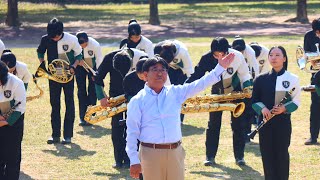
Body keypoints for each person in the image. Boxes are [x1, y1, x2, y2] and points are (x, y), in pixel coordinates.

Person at [126, 54, 234, 180]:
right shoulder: (138, 100)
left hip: (175, 152)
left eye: (163, 70)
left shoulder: (175, 93)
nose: (160, 74)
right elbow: (132, 132)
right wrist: (134, 160)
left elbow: (199, 84)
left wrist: (220, 68)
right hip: (150, 153)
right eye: (155, 69)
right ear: (145, 75)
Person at [186, 37, 252, 166]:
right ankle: (210, 156)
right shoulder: (206, 58)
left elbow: (245, 74)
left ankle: (239, 157)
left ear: (227, 50)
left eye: (223, 54)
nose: (220, 57)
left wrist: (248, 88)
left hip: (235, 93)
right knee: (213, 125)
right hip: (217, 93)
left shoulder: (237, 56)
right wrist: (185, 88)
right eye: (216, 55)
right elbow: (197, 74)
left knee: (238, 125)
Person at [252, 46, 300, 180]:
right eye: (271, 55)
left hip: (283, 123)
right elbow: (254, 100)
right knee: (267, 155)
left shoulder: (293, 78)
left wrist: (284, 108)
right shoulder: (260, 79)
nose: (274, 58)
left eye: (278, 55)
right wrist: (263, 109)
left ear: (284, 58)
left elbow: (296, 101)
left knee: (282, 154)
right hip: (265, 123)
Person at [95, 48, 147, 169]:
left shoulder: (143, 58)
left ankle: (132, 159)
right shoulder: (109, 57)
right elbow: (97, 77)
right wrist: (101, 96)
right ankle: (118, 160)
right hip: (116, 97)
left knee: (135, 128)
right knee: (116, 127)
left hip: (136, 97)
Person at [37, 18, 83, 144]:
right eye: (52, 37)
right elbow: (40, 52)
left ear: (61, 32)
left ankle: (67, 136)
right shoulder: (45, 39)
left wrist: (74, 66)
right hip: (53, 77)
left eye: (56, 37)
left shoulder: (72, 39)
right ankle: (55, 135)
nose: (55, 39)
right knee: (55, 105)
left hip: (68, 76)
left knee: (69, 103)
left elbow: (79, 54)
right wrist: (43, 65)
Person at [154, 39, 194, 123]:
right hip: (166, 70)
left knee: (180, 93)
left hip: (181, 71)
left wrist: (187, 88)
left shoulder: (183, 52)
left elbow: (190, 73)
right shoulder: (157, 48)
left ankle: (179, 118)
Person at [0, 61, 26, 180]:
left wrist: (6, 121)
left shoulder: (16, 83)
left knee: (12, 157)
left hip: (13, 124)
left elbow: (20, 107)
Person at [75, 31, 102, 126]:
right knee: (81, 91)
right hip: (79, 68)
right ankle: (82, 117)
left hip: (92, 68)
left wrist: (98, 74)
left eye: (84, 45)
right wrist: (76, 62)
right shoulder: (75, 44)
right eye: (81, 46)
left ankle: (91, 115)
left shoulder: (95, 44)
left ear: (87, 41)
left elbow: (99, 59)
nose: (82, 47)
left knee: (92, 91)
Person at [304, 18, 320, 145]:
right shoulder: (309, 36)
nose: (318, 34)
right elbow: (307, 55)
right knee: (315, 106)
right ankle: (313, 136)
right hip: (316, 75)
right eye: (317, 32)